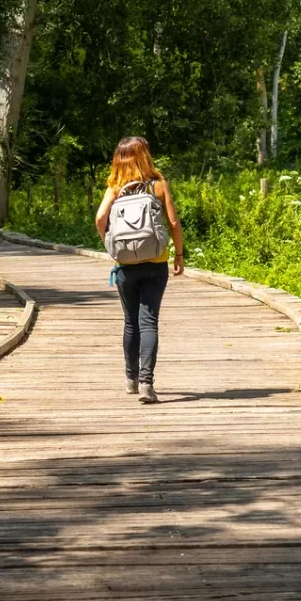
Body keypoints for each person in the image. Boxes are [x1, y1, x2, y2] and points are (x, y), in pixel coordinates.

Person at [94, 137, 184, 403]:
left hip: (125, 266)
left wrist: (111, 245)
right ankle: (147, 384)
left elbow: (100, 218)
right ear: (145, 156)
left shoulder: (115, 187)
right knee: (149, 322)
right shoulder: (158, 186)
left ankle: (130, 379)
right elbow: (174, 223)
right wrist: (178, 254)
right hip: (156, 264)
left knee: (130, 322)